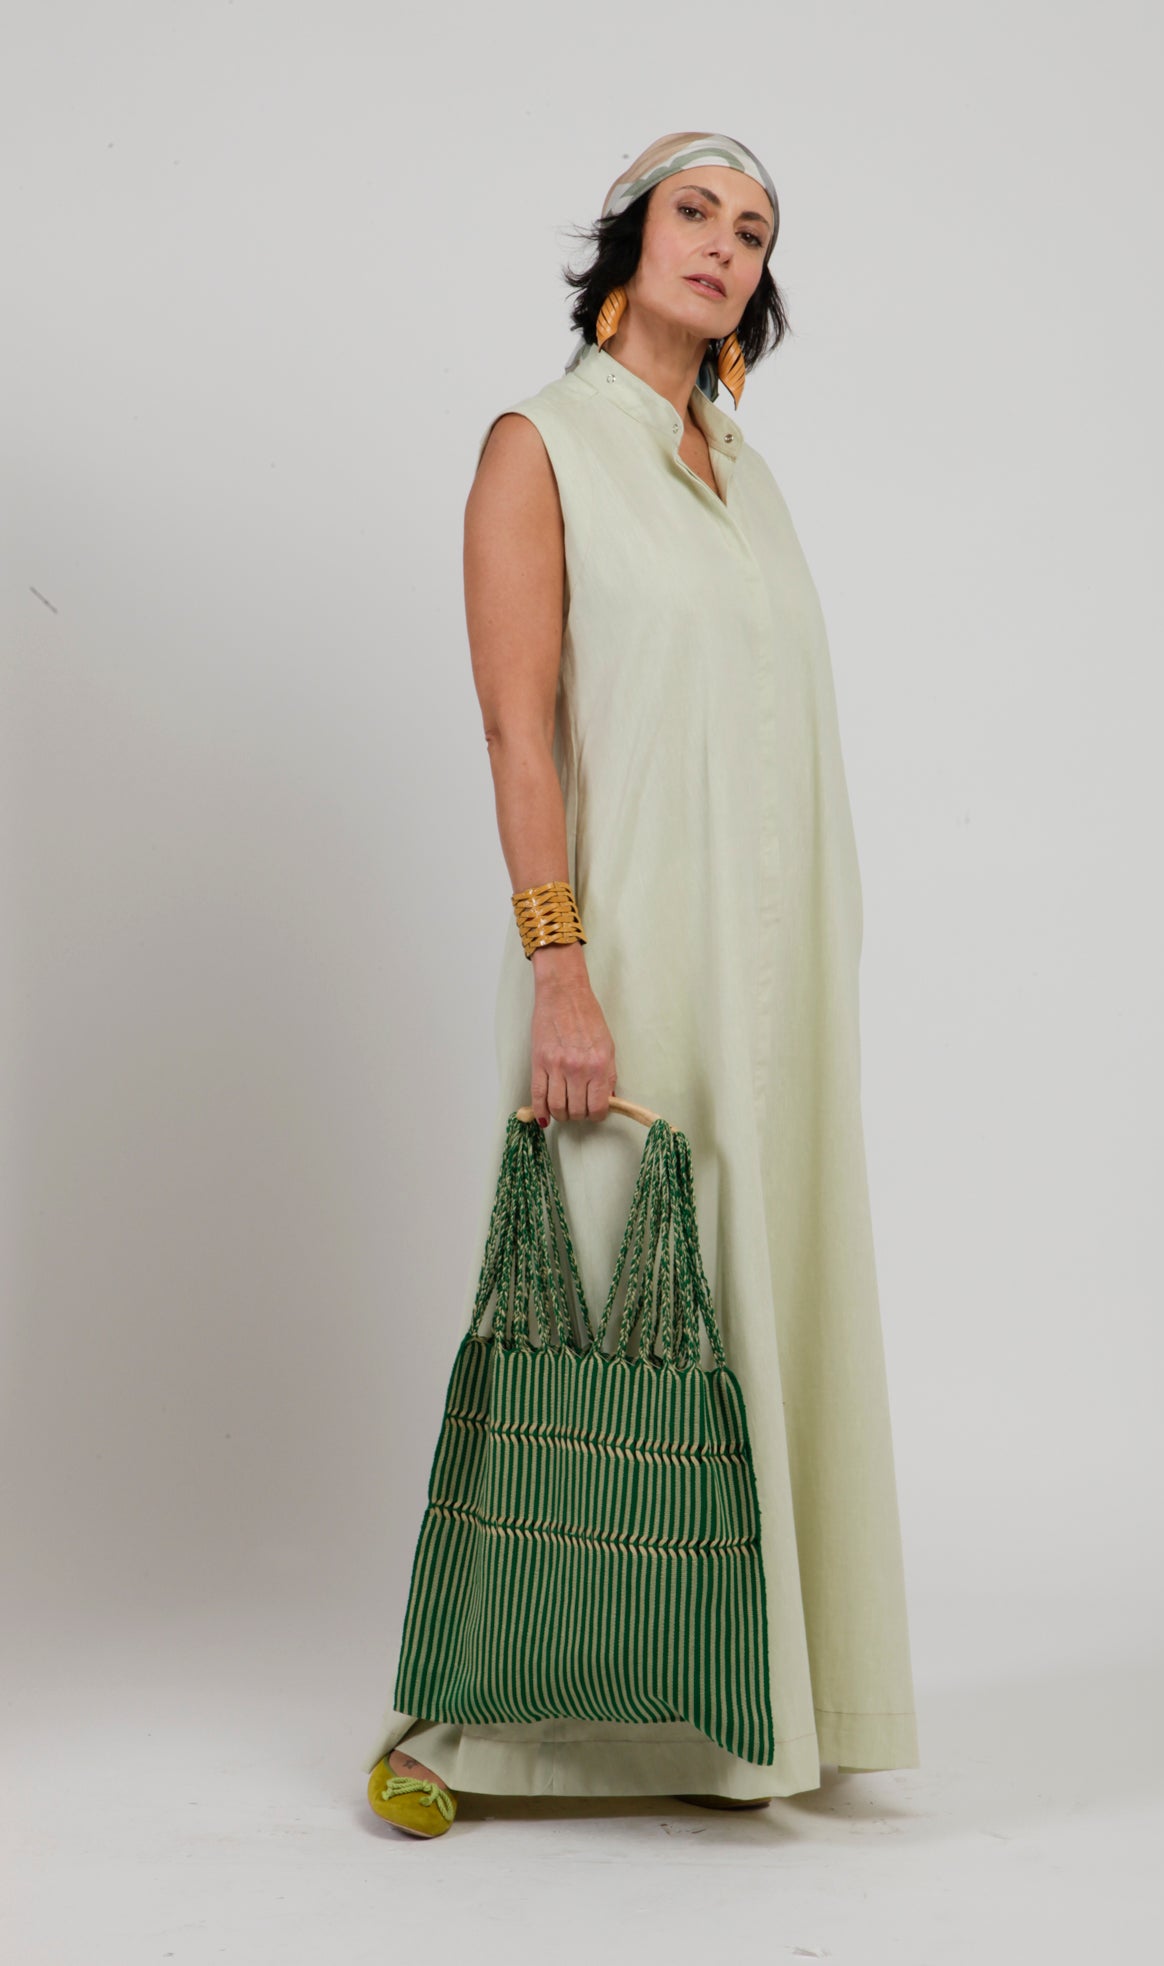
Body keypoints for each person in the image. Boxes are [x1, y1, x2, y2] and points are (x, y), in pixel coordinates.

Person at [364, 131, 919, 1836]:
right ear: (627, 238)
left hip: (781, 990)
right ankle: (468, 1726)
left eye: (755, 230)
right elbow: (516, 730)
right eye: (697, 210)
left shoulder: (745, 474)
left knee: (752, 1311)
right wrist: (562, 972)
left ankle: (739, 1716)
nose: (726, 244)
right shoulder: (540, 447)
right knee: (593, 1316)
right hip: (632, 961)